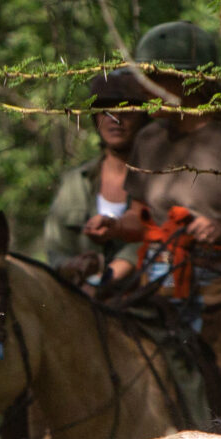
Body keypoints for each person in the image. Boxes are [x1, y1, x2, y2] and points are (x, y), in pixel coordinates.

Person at [107, 22, 221, 388]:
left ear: (192, 82)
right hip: (155, 296)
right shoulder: (149, 140)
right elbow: (140, 219)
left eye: (154, 78)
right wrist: (114, 227)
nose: (141, 89)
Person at [36, 69, 148, 286]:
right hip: (83, 306)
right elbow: (56, 250)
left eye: (127, 110)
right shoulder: (75, 183)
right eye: (105, 111)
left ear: (144, 117)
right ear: (95, 118)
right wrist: (73, 266)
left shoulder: (159, 179)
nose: (116, 119)